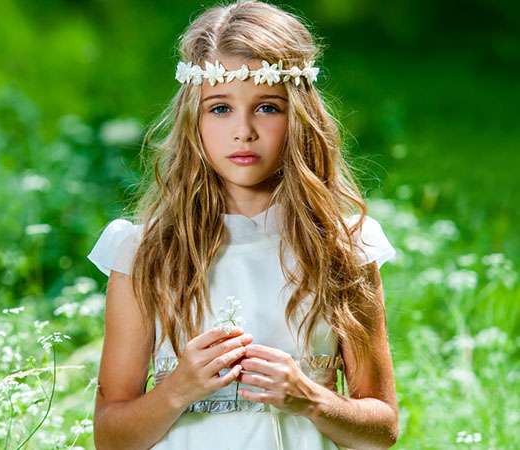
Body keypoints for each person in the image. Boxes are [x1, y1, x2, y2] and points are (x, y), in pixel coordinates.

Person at [87, 1, 398, 448]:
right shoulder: (145, 252)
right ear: (192, 118)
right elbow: (110, 437)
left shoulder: (345, 248)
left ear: (300, 117)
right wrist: (177, 389)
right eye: (220, 109)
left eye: (267, 107)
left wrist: (309, 398)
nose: (243, 131)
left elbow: (383, 429)